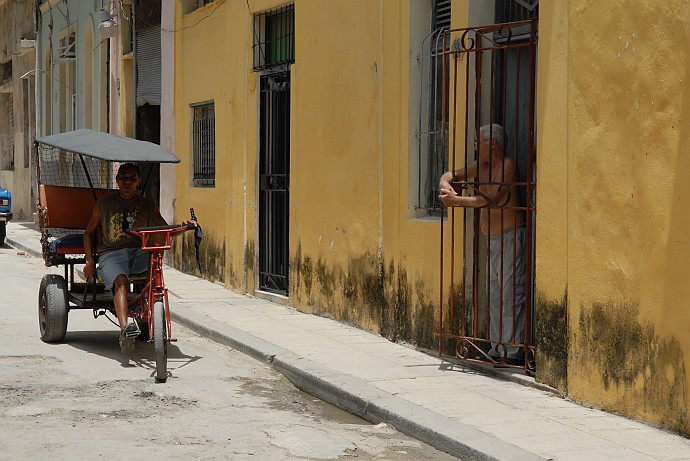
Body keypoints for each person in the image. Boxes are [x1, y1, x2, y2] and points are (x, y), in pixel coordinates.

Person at [438, 124, 526, 364]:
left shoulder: (506, 165)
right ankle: (499, 347)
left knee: (510, 291)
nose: (476, 148)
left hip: (509, 235)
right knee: (495, 292)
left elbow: (492, 199)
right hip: (492, 238)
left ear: (493, 144)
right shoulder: (482, 166)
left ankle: (514, 349)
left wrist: (457, 201)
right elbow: (451, 175)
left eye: (479, 143)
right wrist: (445, 184)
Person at [83, 162, 169, 354]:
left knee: (153, 272)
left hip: (139, 252)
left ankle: (149, 312)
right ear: (117, 180)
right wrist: (89, 261)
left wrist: (186, 227)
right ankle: (125, 330)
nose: (127, 182)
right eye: (123, 177)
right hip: (112, 254)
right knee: (120, 281)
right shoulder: (103, 205)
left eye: (132, 178)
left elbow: (164, 230)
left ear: (138, 181)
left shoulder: (148, 205)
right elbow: (88, 233)